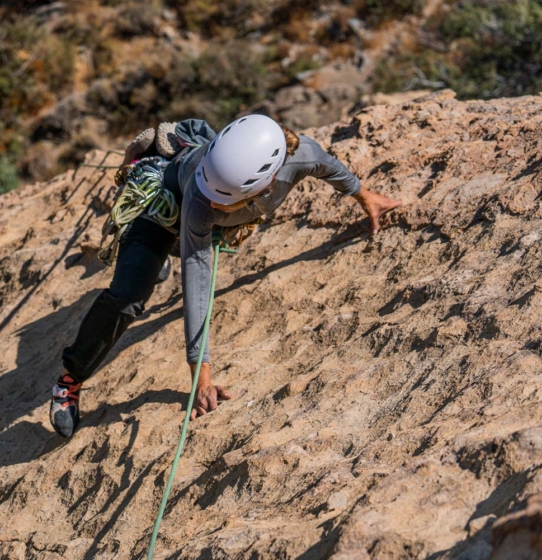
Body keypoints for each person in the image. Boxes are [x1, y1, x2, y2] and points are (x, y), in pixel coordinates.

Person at [50, 115, 402, 438]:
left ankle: (161, 257)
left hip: (197, 221)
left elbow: (328, 166)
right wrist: (201, 378)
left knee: (184, 246)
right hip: (162, 210)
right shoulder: (202, 201)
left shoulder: (298, 156)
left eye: (224, 201)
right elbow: (197, 281)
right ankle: (70, 381)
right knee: (129, 296)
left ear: (265, 184)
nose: (214, 203)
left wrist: (364, 195)